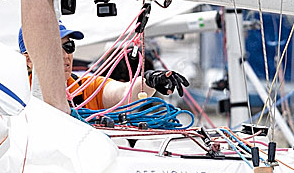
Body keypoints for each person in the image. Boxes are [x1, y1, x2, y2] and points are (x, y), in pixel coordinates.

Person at [17, 22, 189, 112]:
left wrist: (150, 80)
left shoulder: (84, 87)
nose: (64, 55)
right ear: (28, 60)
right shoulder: (15, 95)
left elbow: (123, 92)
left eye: (68, 47)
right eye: (54, 47)